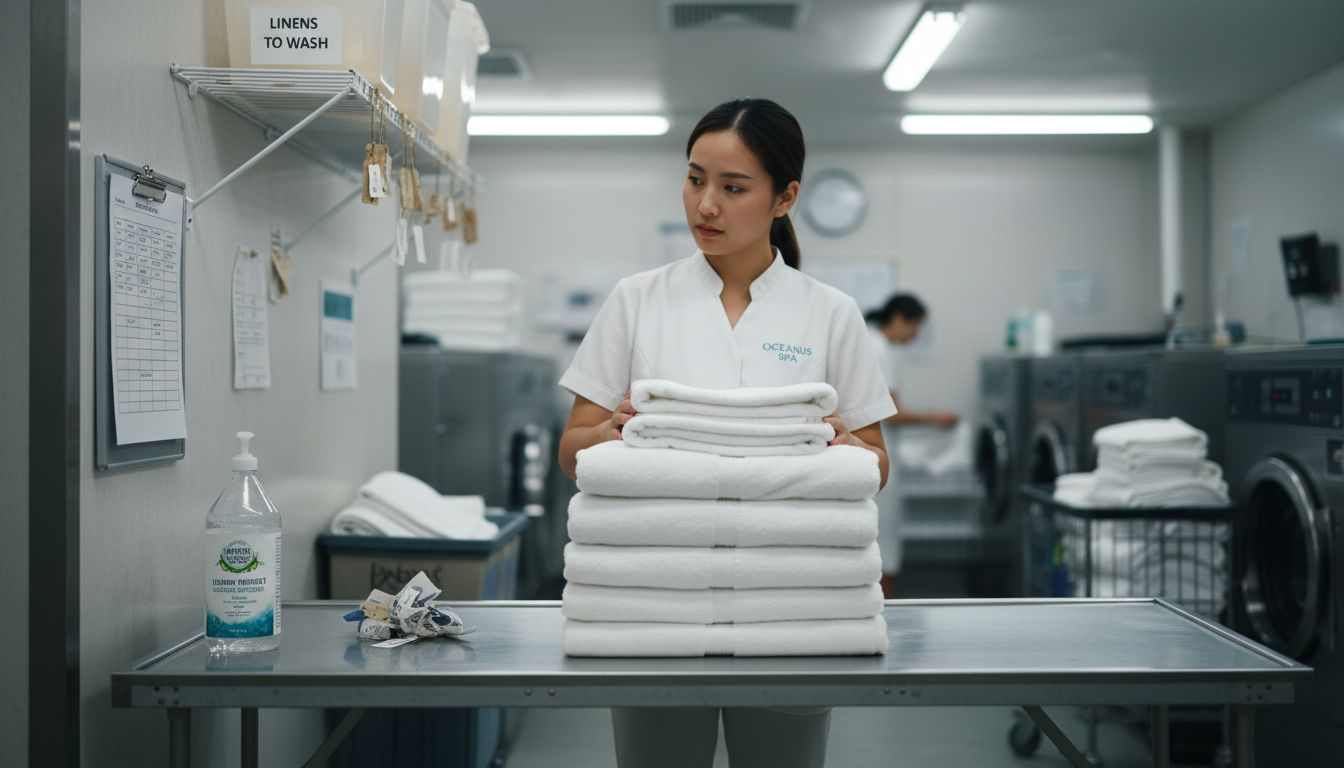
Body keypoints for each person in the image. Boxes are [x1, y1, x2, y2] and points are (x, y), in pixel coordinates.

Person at [556, 98, 897, 768]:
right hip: (654, 605)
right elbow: (573, 449)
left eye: (732, 188)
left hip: (792, 608)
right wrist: (611, 433)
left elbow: (876, 462)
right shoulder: (637, 299)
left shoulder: (829, 314)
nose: (705, 205)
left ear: (785, 197)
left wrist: (849, 450)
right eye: (694, 179)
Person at [865, 292, 960, 596]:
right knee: (884, 542)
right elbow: (891, 416)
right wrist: (936, 418)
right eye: (915, 326)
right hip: (879, 456)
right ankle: (882, 607)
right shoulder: (880, 349)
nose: (916, 335)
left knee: (878, 539)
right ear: (898, 319)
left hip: (873, 452)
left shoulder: (873, 344)